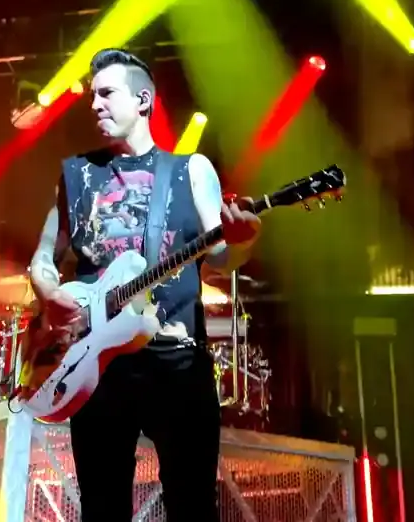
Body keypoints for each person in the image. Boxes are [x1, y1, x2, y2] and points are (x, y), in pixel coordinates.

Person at [28, 49, 261, 521]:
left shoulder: (190, 170)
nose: (94, 104)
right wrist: (48, 292)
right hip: (97, 367)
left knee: (193, 506)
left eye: (107, 93)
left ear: (143, 100)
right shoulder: (75, 175)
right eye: (92, 95)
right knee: (101, 507)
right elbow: (44, 256)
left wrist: (243, 240)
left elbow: (219, 257)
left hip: (176, 361)